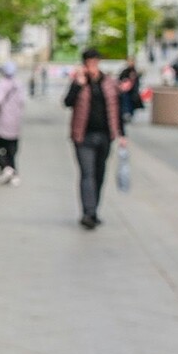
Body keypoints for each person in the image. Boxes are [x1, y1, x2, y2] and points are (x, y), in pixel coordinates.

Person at [64, 48, 125, 229]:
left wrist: (122, 134)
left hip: (105, 135)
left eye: (94, 61)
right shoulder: (79, 82)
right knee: (87, 173)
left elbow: (117, 108)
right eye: (88, 62)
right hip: (83, 136)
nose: (92, 65)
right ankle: (88, 213)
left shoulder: (108, 82)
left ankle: (94, 210)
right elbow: (67, 102)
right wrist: (78, 84)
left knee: (99, 174)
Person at [0, 62, 25, 186]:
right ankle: (13, 174)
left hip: (2, 121)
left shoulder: (1, 84)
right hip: (15, 122)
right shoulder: (19, 84)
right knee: (11, 150)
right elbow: (22, 102)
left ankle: (6, 167)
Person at [118, 58, 143, 123]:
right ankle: (126, 114)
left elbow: (137, 82)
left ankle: (129, 114)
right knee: (125, 102)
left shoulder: (135, 71)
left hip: (133, 91)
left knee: (131, 103)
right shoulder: (125, 71)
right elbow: (120, 79)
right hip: (125, 91)